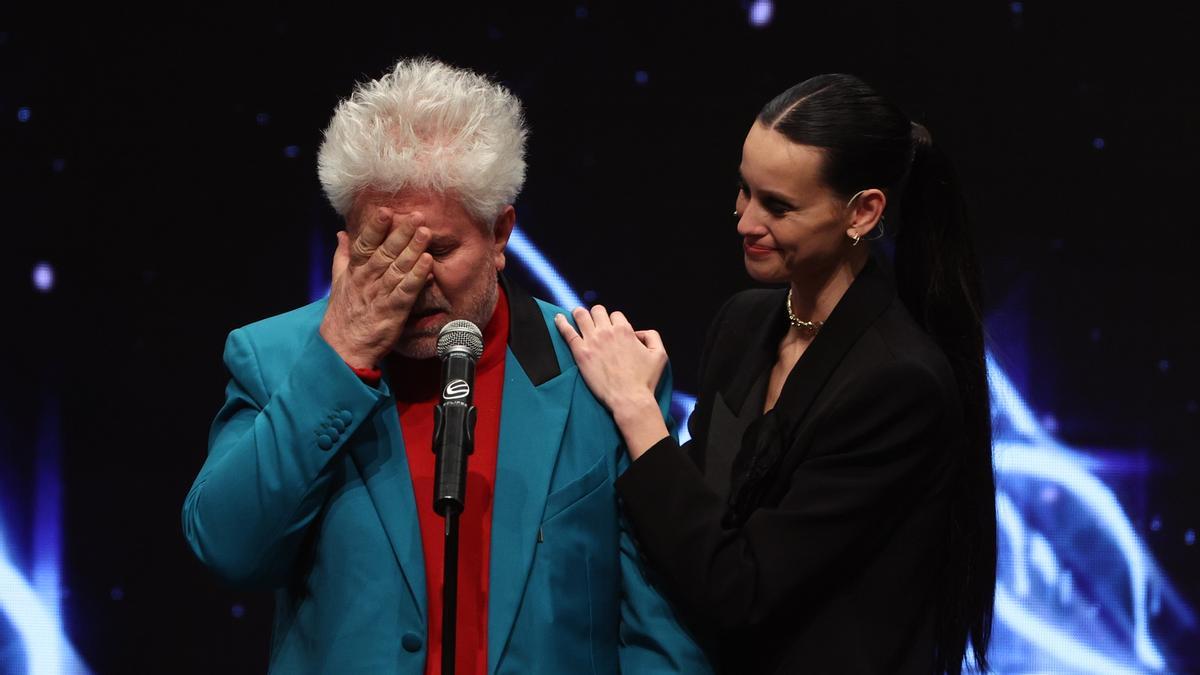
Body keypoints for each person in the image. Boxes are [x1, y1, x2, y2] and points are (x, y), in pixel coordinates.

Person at [181, 57, 710, 675]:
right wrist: (342, 359)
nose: (413, 280)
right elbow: (229, 550)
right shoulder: (273, 358)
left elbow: (662, 633)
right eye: (385, 249)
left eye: (439, 249)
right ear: (346, 243)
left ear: (501, 234)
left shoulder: (602, 373)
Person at [555, 73, 997, 674]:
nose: (744, 221)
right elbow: (704, 518)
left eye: (778, 206)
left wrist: (637, 408)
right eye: (744, 190)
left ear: (863, 212)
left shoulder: (898, 383)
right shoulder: (743, 323)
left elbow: (739, 590)